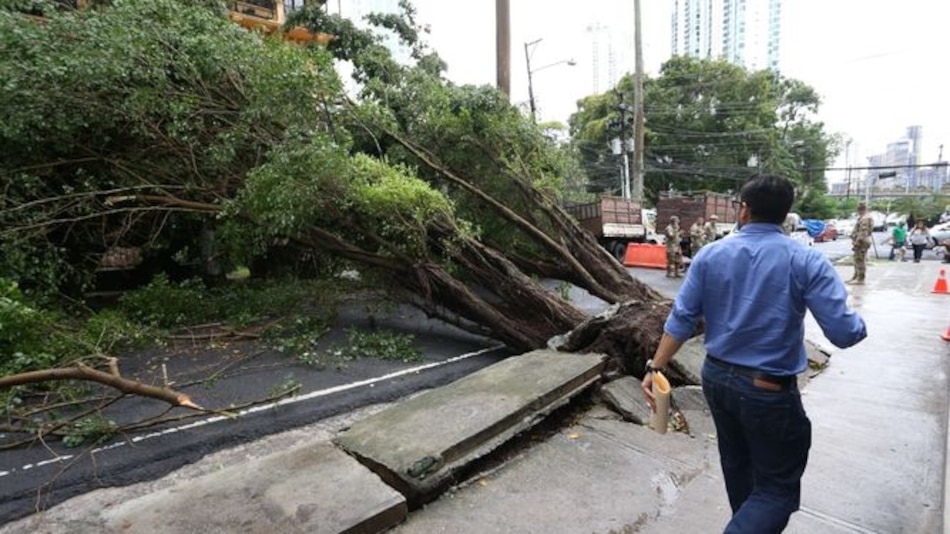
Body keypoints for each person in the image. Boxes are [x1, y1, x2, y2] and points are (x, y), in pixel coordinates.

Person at [641, 175, 867, 533]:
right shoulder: (805, 260)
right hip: (768, 390)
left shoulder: (710, 254)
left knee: (739, 470)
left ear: (743, 210)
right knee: (776, 491)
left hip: (716, 379)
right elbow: (844, 333)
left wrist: (655, 367)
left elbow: (682, 318)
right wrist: (858, 321)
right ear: (785, 214)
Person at [848, 203, 874, 285]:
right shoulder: (863, 217)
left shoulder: (865, 218)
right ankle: (856, 277)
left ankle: (860, 279)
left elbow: (863, 232)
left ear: (861, 210)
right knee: (857, 259)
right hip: (861, 241)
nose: (858, 212)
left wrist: (857, 242)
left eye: (858, 210)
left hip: (862, 242)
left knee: (860, 260)